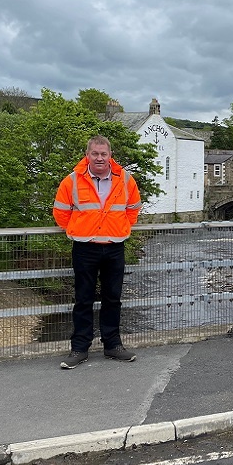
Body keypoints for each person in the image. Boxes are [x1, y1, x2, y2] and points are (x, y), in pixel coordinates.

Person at [53, 135, 143, 369]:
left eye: (103, 154)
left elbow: (133, 208)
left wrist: (119, 228)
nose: (100, 158)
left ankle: (112, 345)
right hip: (85, 247)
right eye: (95, 153)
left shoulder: (125, 180)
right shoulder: (72, 181)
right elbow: (60, 213)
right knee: (83, 299)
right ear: (87, 155)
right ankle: (79, 348)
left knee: (113, 298)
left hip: (115, 246)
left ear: (110, 156)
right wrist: (79, 229)